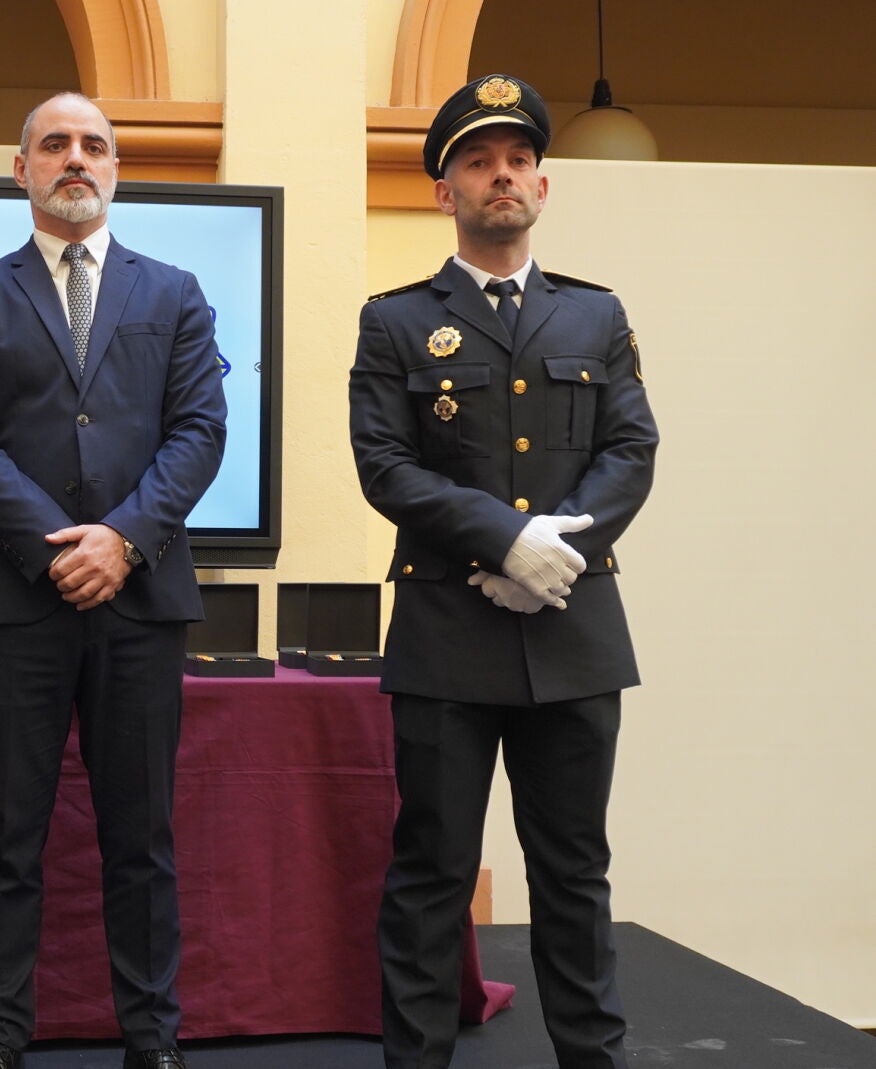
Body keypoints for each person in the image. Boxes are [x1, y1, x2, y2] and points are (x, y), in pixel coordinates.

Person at [349, 74, 659, 1069]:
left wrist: (549, 556)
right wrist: (501, 541)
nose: (503, 176)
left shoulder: (595, 315)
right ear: (445, 191)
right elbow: (384, 464)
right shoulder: (396, 322)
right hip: (447, 633)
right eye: (479, 163)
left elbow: (630, 450)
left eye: (519, 160)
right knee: (431, 872)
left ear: (542, 185)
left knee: (574, 872)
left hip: (572, 629)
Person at [0, 91, 228, 1069]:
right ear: (21, 170)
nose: (75, 158)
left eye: (94, 145)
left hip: (142, 600)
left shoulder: (174, 292)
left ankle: (152, 1035)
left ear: (115, 169)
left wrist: (124, 540)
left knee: (140, 834)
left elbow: (200, 431)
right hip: (16, 599)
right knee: (6, 830)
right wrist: (59, 547)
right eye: (54, 144)